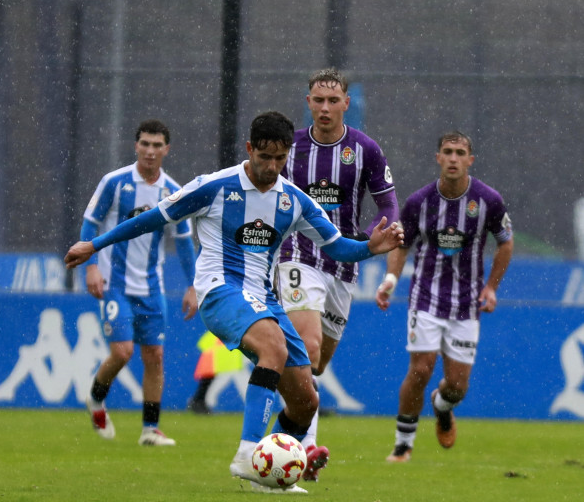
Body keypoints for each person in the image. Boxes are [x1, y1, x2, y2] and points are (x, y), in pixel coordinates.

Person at [66, 111, 403, 493]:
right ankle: (247, 454)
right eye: (265, 158)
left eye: (280, 159)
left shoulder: (294, 201)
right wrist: (94, 245)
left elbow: (338, 247)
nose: (272, 166)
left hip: (265, 300)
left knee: (306, 401)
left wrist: (370, 248)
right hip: (220, 290)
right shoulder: (213, 186)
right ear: (249, 149)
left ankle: (268, 474)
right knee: (273, 346)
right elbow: (153, 219)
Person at [274, 67, 398, 480]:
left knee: (317, 365)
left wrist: (386, 232)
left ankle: (286, 434)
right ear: (307, 102)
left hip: (344, 264)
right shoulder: (288, 148)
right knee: (306, 351)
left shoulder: (365, 150)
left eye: (333, 100)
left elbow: (388, 205)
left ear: (347, 102)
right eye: (317, 100)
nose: (325, 108)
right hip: (297, 255)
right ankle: (303, 451)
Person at [375, 131, 513, 463]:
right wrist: (391, 278)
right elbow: (402, 244)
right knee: (420, 369)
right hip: (426, 299)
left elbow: (505, 242)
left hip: (466, 305)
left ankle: (441, 406)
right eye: (447, 152)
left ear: (470, 160)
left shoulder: (488, 200)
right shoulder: (419, 202)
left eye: (459, 152)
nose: (453, 158)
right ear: (438, 158)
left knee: (457, 387)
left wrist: (491, 286)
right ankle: (403, 444)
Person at [79, 119, 197, 446]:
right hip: (116, 284)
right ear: (136, 146)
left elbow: (184, 241)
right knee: (122, 352)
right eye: (145, 143)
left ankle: (150, 430)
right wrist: (90, 267)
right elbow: (90, 224)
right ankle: (96, 399)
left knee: (155, 357)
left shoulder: (173, 192)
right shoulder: (114, 183)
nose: (150, 150)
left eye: (157, 145)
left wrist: (192, 284)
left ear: (166, 150)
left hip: (151, 288)